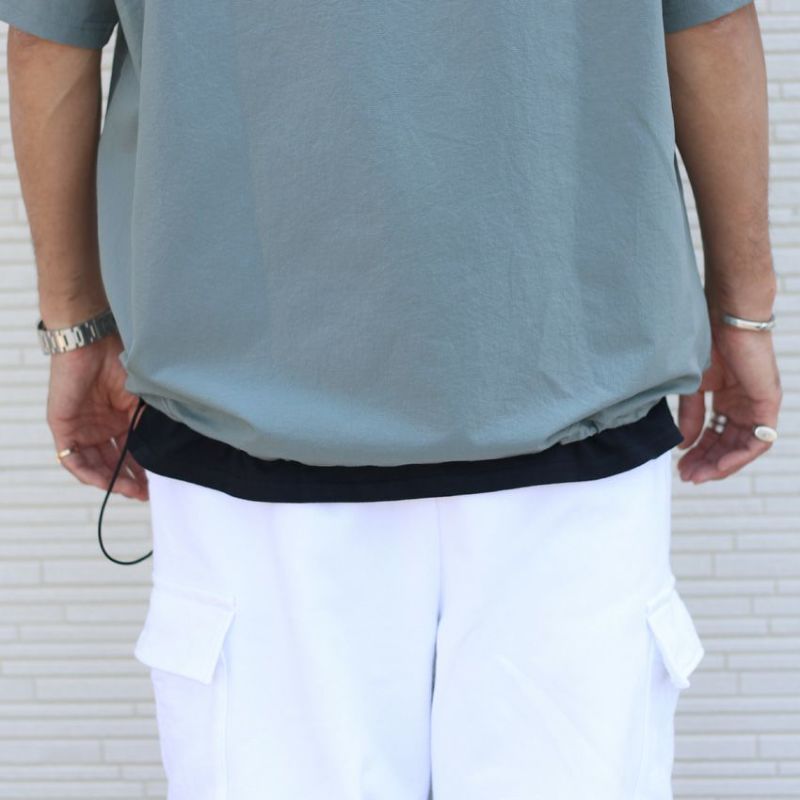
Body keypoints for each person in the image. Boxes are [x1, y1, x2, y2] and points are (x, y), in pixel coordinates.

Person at [0, 1, 782, 798]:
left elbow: (46, 42)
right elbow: (710, 23)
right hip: (571, 399)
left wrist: (77, 328)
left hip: (251, 423)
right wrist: (741, 313)